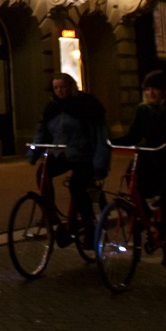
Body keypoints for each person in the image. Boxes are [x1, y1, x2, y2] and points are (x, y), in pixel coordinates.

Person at [117, 71, 166, 271]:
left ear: (164, 91)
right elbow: (133, 135)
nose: (151, 93)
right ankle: (145, 214)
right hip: (150, 158)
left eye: (155, 89)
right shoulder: (143, 110)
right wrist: (111, 142)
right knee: (131, 178)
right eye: (148, 89)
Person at [31, 72, 110, 229]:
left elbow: (99, 135)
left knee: (77, 186)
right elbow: (42, 130)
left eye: (63, 87)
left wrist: (100, 164)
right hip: (61, 153)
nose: (59, 91)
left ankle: (89, 223)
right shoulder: (52, 107)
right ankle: (49, 214)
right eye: (56, 88)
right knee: (43, 173)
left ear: (71, 87)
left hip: (83, 155)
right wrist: (34, 151)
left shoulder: (85, 104)